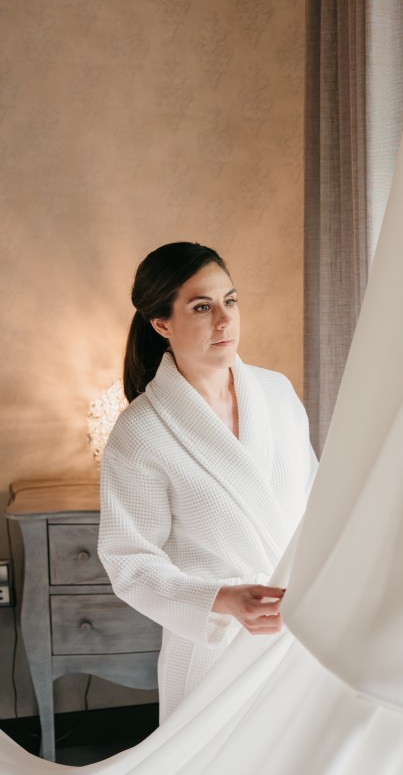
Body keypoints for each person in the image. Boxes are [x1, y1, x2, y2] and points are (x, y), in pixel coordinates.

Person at [98, 241, 317, 722]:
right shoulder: (141, 430)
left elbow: (317, 506)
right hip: (214, 655)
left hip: (298, 639)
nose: (224, 321)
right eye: (202, 307)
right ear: (161, 323)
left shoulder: (277, 393)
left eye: (230, 301)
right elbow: (129, 562)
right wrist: (223, 599)